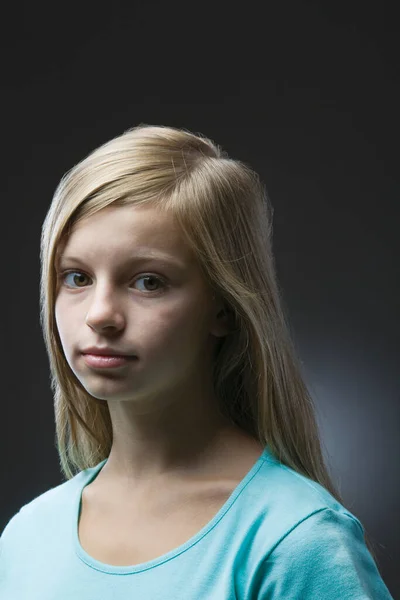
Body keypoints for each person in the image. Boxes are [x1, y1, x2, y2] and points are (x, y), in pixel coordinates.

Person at [0, 124, 393, 598]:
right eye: (77, 277)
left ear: (223, 309)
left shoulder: (292, 541)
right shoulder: (26, 540)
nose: (100, 314)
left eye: (148, 281)